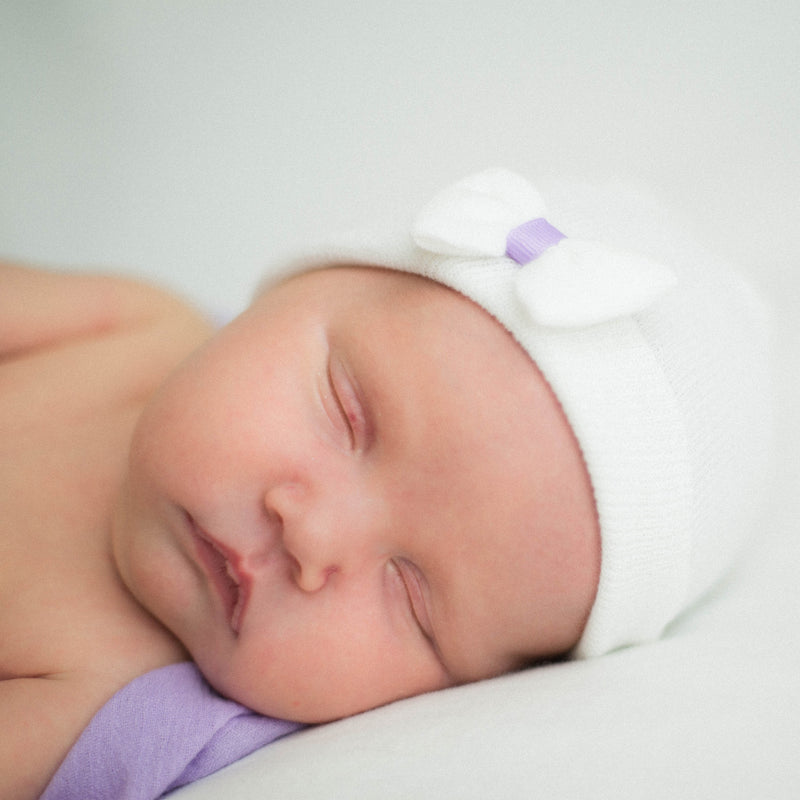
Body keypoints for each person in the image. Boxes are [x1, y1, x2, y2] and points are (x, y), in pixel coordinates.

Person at [0, 169, 772, 799]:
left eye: (410, 596)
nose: (312, 539)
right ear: (283, 295)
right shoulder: (130, 326)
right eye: (349, 415)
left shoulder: (109, 705)